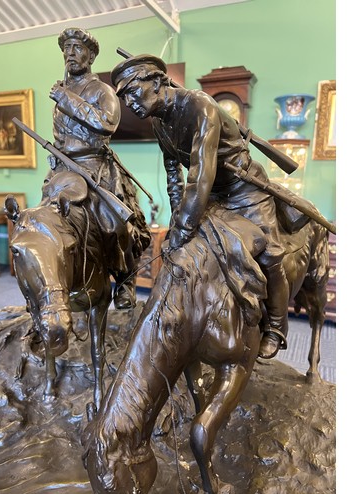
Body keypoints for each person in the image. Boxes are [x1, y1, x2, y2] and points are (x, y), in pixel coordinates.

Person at [111, 54, 290, 359]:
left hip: (245, 191)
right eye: (124, 97)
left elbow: (200, 174)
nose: (129, 103)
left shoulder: (200, 106)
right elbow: (174, 178)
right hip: (212, 196)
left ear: (157, 82)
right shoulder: (160, 124)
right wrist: (176, 223)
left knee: (271, 255)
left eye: (132, 91)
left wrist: (184, 227)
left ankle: (275, 325)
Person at [44, 27, 150, 310]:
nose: (70, 54)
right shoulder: (62, 89)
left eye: (77, 48)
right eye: (66, 49)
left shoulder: (101, 91)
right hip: (61, 170)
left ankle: (125, 281)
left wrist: (66, 99)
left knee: (116, 226)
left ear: (90, 57)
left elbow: (107, 123)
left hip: (94, 167)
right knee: (41, 224)